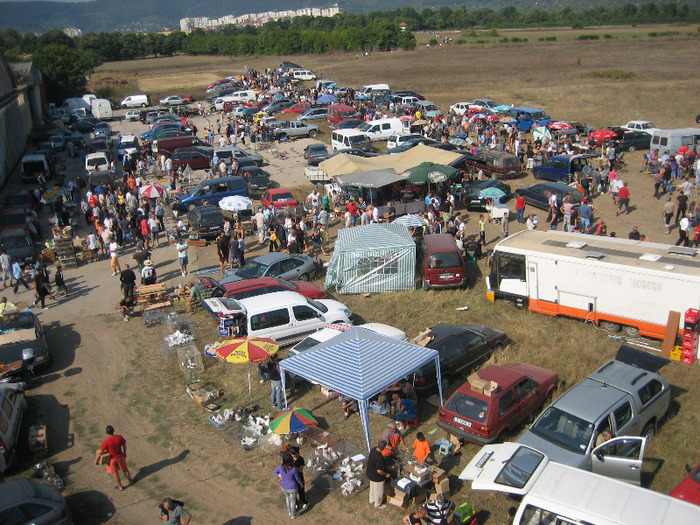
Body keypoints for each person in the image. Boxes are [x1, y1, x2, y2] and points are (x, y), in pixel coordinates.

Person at [94, 425, 133, 491]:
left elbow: (100, 452)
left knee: (115, 473)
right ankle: (131, 481)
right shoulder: (119, 437)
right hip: (120, 457)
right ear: (113, 431)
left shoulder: (106, 441)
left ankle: (120, 487)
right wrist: (124, 453)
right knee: (125, 469)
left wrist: (96, 460)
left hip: (112, 459)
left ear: (106, 433)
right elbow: (124, 446)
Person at [274, 452, 302, 520]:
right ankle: (293, 515)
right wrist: (301, 484)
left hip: (283, 487)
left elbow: (275, 471)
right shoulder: (293, 469)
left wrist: (280, 475)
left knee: (287, 498)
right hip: (292, 487)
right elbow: (297, 478)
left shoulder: (281, 467)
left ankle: (289, 512)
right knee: (293, 501)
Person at [365, 440, 391, 508]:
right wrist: (386, 474)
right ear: (384, 447)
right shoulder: (379, 458)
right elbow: (379, 471)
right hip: (377, 477)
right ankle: (378, 504)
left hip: (370, 473)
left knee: (373, 488)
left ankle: (372, 499)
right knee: (379, 491)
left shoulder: (373, 449)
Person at [289, 445, 309, 512]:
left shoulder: (300, 459)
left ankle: (304, 501)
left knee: (301, 490)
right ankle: (296, 503)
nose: (293, 456)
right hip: (292, 477)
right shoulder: (290, 458)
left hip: (299, 476)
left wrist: (294, 467)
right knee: (293, 491)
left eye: (294, 454)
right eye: (291, 454)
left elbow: (300, 470)